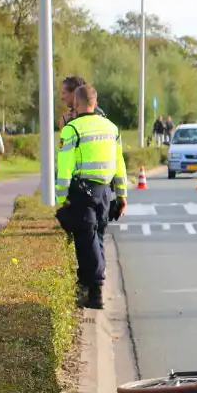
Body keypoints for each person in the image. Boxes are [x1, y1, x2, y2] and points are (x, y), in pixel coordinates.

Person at [55, 84, 127, 309]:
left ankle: (94, 290)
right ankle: (91, 289)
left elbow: (64, 168)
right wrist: (122, 195)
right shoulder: (111, 128)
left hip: (81, 192)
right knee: (97, 238)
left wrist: (60, 199)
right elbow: (119, 164)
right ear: (95, 103)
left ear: (76, 104)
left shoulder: (72, 129)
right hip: (105, 192)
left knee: (87, 239)